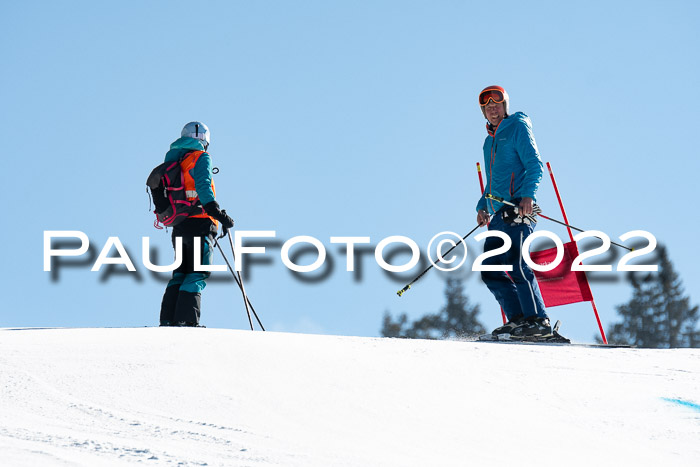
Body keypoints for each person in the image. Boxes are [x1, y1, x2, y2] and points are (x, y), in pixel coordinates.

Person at [475, 86, 551, 337]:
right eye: (487, 107)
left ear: (505, 106)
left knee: (517, 264)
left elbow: (534, 164)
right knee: (490, 269)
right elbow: (494, 181)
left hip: (518, 209)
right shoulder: (489, 142)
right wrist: (482, 206)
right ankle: (519, 319)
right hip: (498, 215)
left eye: (497, 104)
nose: (492, 109)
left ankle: (538, 321)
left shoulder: (517, 127)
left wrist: (528, 195)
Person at [159, 121, 234, 327]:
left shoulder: (174, 159)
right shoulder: (201, 157)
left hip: (179, 224)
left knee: (180, 272)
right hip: (200, 223)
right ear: (204, 140)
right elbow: (202, 186)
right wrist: (217, 213)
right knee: (198, 272)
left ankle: (168, 320)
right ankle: (186, 321)